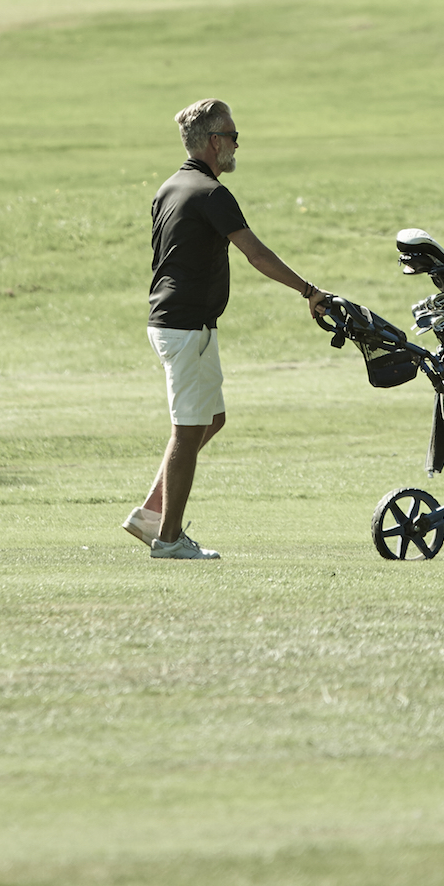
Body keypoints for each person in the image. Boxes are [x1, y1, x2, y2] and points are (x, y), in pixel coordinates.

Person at [127, 98, 326, 560]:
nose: (238, 144)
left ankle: (152, 511)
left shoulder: (170, 187)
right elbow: (256, 254)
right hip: (186, 327)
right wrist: (308, 291)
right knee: (189, 428)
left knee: (210, 420)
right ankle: (169, 538)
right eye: (233, 136)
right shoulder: (211, 193)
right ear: (215, 142)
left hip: (176, 324)